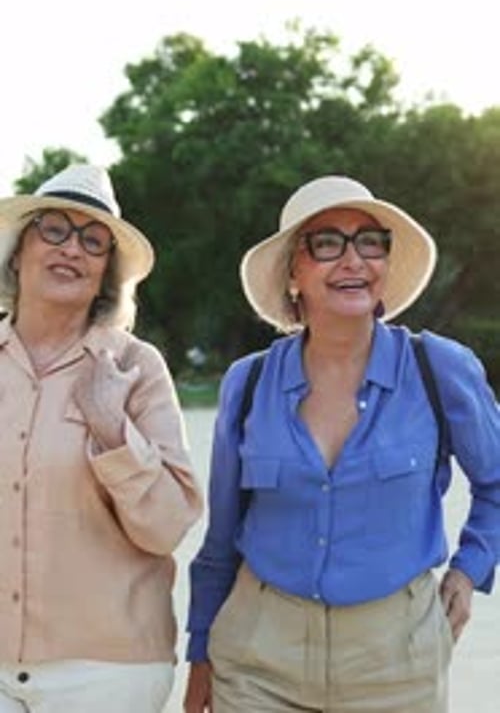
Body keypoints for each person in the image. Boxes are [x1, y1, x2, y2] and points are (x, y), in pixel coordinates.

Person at [184, 175, 500, 713]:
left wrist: (471, 569)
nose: (353, 260)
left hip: (396, 663)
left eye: (369, 241)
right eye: (327, 243)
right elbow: (221, 541)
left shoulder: (440, 368)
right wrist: (200, 655)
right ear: (293, 274)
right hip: (259, 657)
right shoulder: (248, 383)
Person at [0, 163, 203, 713]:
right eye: (55, 229)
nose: (73, 249)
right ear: (19, 252)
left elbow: (166, 526)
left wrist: (112, 429)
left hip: (106, 674)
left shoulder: (138, 368)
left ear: (106, 273)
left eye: (93, 241)